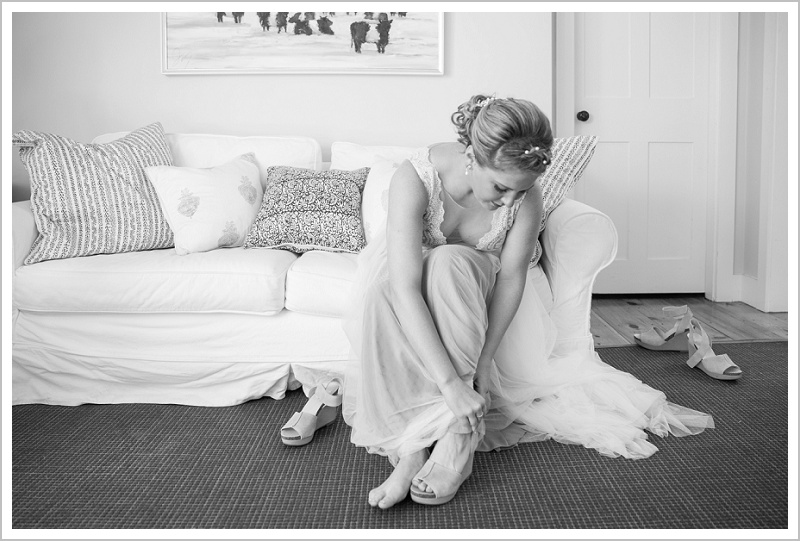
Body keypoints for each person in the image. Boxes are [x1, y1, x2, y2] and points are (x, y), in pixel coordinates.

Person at [339, 94, 715, 509]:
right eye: (500, 187)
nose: (506, 201)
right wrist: (449, 383)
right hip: (413, 279)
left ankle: (459, 436)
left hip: (471, 280)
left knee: (450, 261)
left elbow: (512, 277)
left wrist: (483, 363)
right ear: (471, 157)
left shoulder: (526, 197)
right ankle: (411, 449)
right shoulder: (416, 176)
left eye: (517, 192)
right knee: (382, 292)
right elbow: (406, 285)